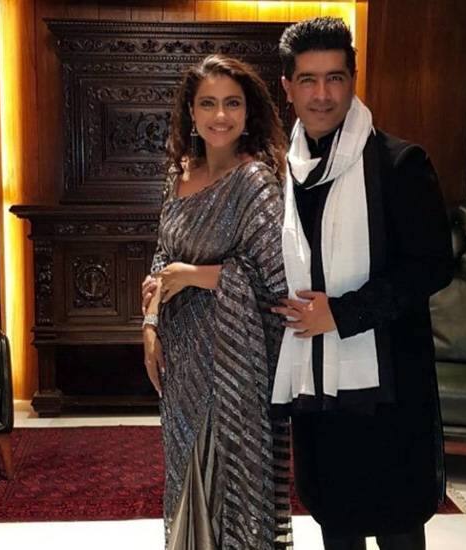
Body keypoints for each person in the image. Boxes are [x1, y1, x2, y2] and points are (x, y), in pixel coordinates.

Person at [270, 17, 453, 550]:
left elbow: (431, 265)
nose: (322, 95)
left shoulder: (400, 163)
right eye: (308, 80)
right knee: (338, 521)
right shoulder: (285, 173)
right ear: (287, 87)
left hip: (390, 385)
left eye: (335, 78)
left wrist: (342, 313)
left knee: (399, 525)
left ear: (353, 80)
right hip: (318, 388)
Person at [141, 54, 293, 549]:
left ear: (248, 112)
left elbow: (275, 283)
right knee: (183, 469)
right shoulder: (179, 174)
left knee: (224, 474)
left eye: (232, 103)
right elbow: (162, 256)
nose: (220, 115)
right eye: (208, 103)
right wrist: (149, 325)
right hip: (180, 351)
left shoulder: (257, 183)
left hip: (233, 357)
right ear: (191, 112)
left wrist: (194, 276)